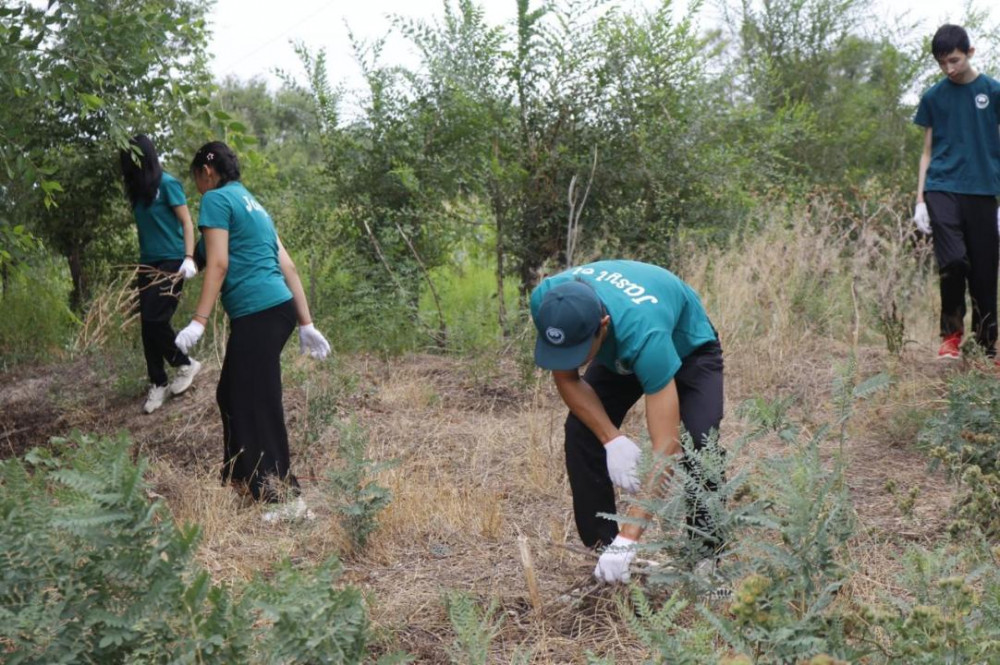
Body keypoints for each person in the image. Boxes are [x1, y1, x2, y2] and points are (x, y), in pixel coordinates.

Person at [529, 260, 724, 584]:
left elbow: (666, 445)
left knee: (700, 443)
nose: (571, 361)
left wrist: (630, 538)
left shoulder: (644, 334)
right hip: (620, 350)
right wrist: (611, 439)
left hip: (687, 348)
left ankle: (705, 560)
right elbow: (566, 377)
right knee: (581, 432)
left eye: (578, 351)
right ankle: (602, 557)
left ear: (602, 325)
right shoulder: (549, 300)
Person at [173, 141, 331, 522]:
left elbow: (221, 264)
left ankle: (284, 497)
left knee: (257, 401)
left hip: (258, 312)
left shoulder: (215, 200)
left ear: (206, 172)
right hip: (277, 310)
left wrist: (199, 320)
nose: (197, 186)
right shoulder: (253, 204)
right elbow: (289, 267)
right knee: (230, 393)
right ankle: (241, 480)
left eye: (196, 178)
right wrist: (305, 322)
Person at [913, 24, 1000, 362]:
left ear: (970, 53)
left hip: (982, 190)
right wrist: (920, 199)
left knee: (984, 272)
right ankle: (950, 335)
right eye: (942, 63)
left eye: (954, 60)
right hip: (942, 187)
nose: (949, 69)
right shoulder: (934, 97)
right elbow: (927, 150)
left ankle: (985, 344)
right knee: (952, 261)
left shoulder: (992, 91)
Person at [119, 134, 202, 414]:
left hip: (171, 261)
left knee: (156, 319)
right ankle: (158, 381)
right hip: (147, 264)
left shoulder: (168, 184)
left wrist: (189, 258)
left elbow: (187, 222)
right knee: (148, 325)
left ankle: (185, 364)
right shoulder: (138, 192)